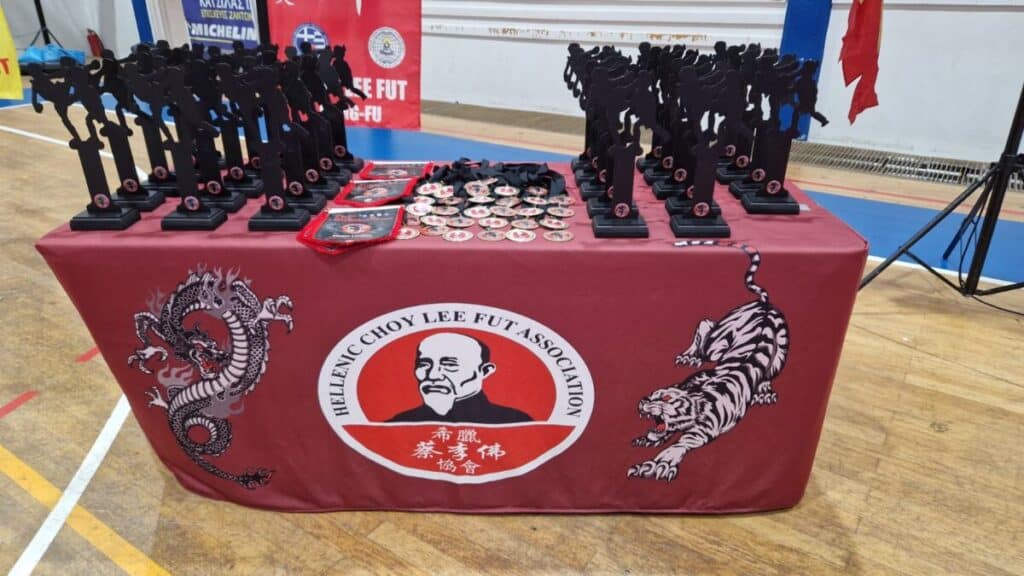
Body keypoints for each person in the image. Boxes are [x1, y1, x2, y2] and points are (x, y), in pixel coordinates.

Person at [388, 332, 532, 424]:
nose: (432, 375)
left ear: (484, 371)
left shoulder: (514, 423)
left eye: (449, 365)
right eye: (424, 364)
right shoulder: (398, 425)